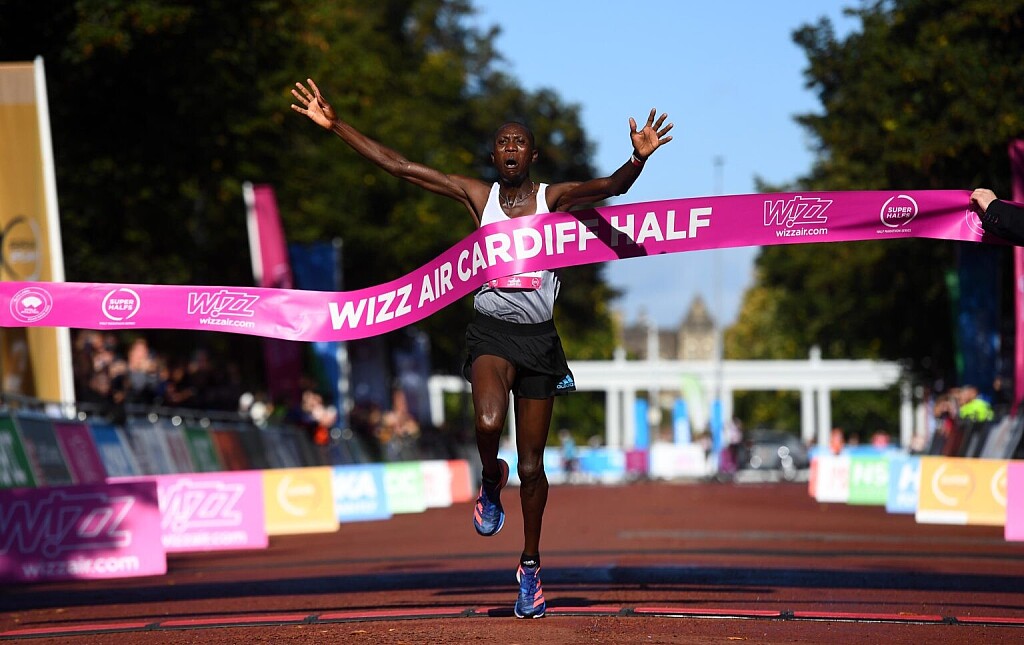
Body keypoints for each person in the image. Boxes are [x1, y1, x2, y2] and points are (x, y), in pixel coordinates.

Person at [291, 77, 673, 618]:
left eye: (520, 142)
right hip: (491, 330)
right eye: (503, 142)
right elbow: (400, 166)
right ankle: (491, 475)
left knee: (534, 467)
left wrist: (637, 159)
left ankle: (531, 567)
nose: (511, 148)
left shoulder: (553, 198)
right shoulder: (479, 197)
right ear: (493, 155)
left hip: (539, 340)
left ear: (532, 156)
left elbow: (612, 186)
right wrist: (336, 127)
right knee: (489, 422)